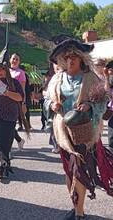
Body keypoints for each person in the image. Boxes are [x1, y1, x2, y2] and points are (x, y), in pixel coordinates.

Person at [44, 39, 113, 220]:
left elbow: (103, 102)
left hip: (84, 133)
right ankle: (76, 206)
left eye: (74, 56)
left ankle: (79, 213)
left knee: (78, 171)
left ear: (81, 58)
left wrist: (90, 106)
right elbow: (46, 99)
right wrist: (52, 104)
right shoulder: (57, 79)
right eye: (67, 57)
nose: (70, 60)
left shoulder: (91, 78)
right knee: (68, 171)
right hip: (63, 134)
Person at [0, 46, 26, 179]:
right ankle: (3, 163)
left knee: (4, 140)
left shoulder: (13, 83)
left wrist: (7, 93)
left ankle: (2, 164)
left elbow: (20, 97)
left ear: (6, 70)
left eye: (1, 69)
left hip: (9, 116)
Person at [9, 53, 26, 150]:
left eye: (17, 59)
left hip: (15, 100)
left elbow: (22, 89)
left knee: (10, 123)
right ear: (10, 60)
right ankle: (19, 140)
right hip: (5, 100)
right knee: (8, 124)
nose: (14, 61)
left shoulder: (21, 73)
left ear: (19, 62)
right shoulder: (6, 71)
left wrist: (23, 103)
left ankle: (8, 147)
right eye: (13, 58)